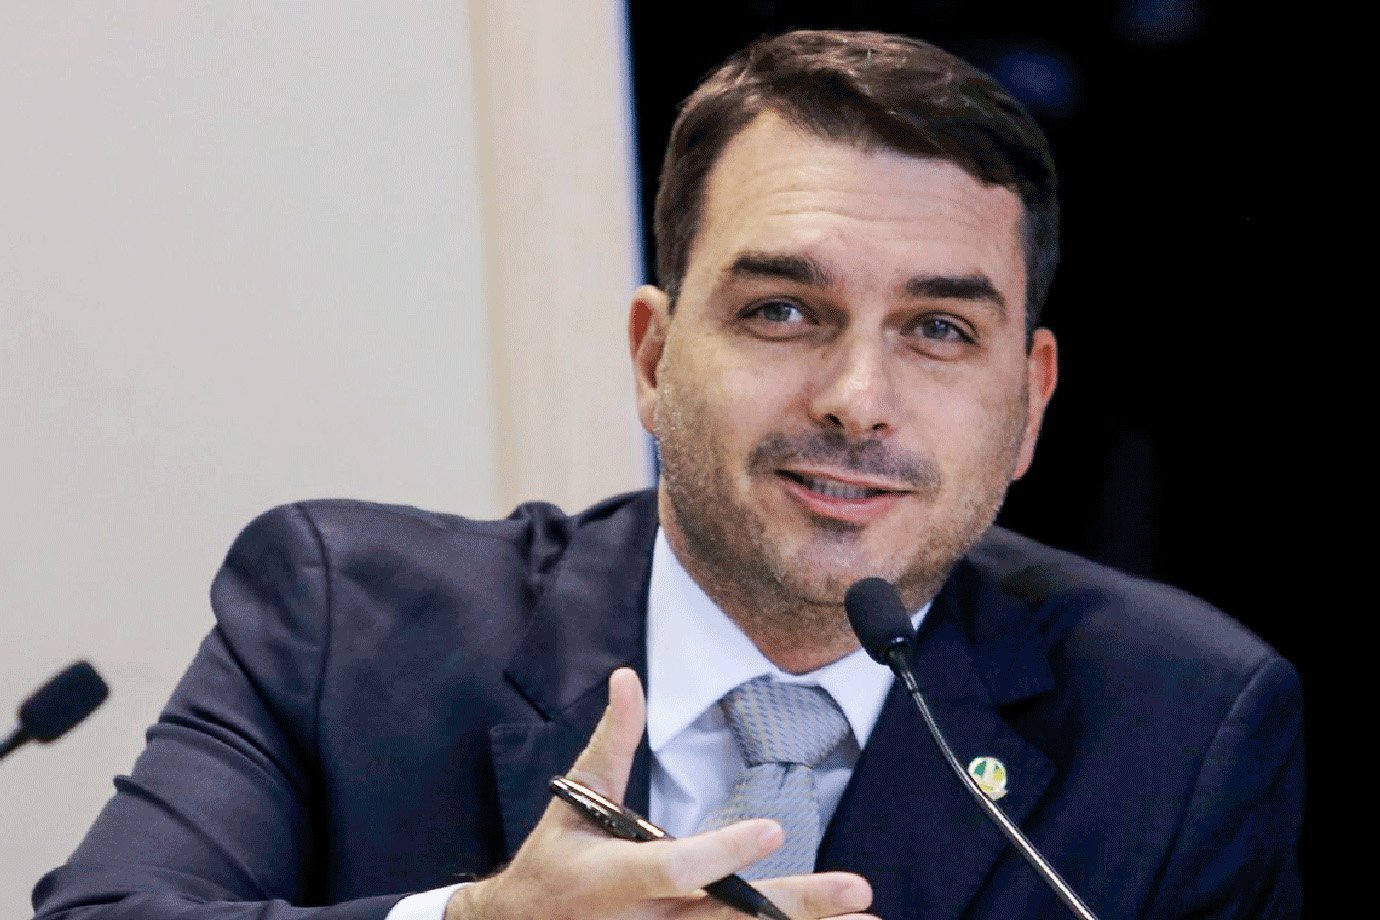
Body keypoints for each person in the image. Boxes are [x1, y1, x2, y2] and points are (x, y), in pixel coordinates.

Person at [32, 29, 1303, 920]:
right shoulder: (341, 620)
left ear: (1028, 406)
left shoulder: (1179, 723)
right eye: (783, 311)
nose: (857, 397)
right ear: (653, 357)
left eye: (937, 329)